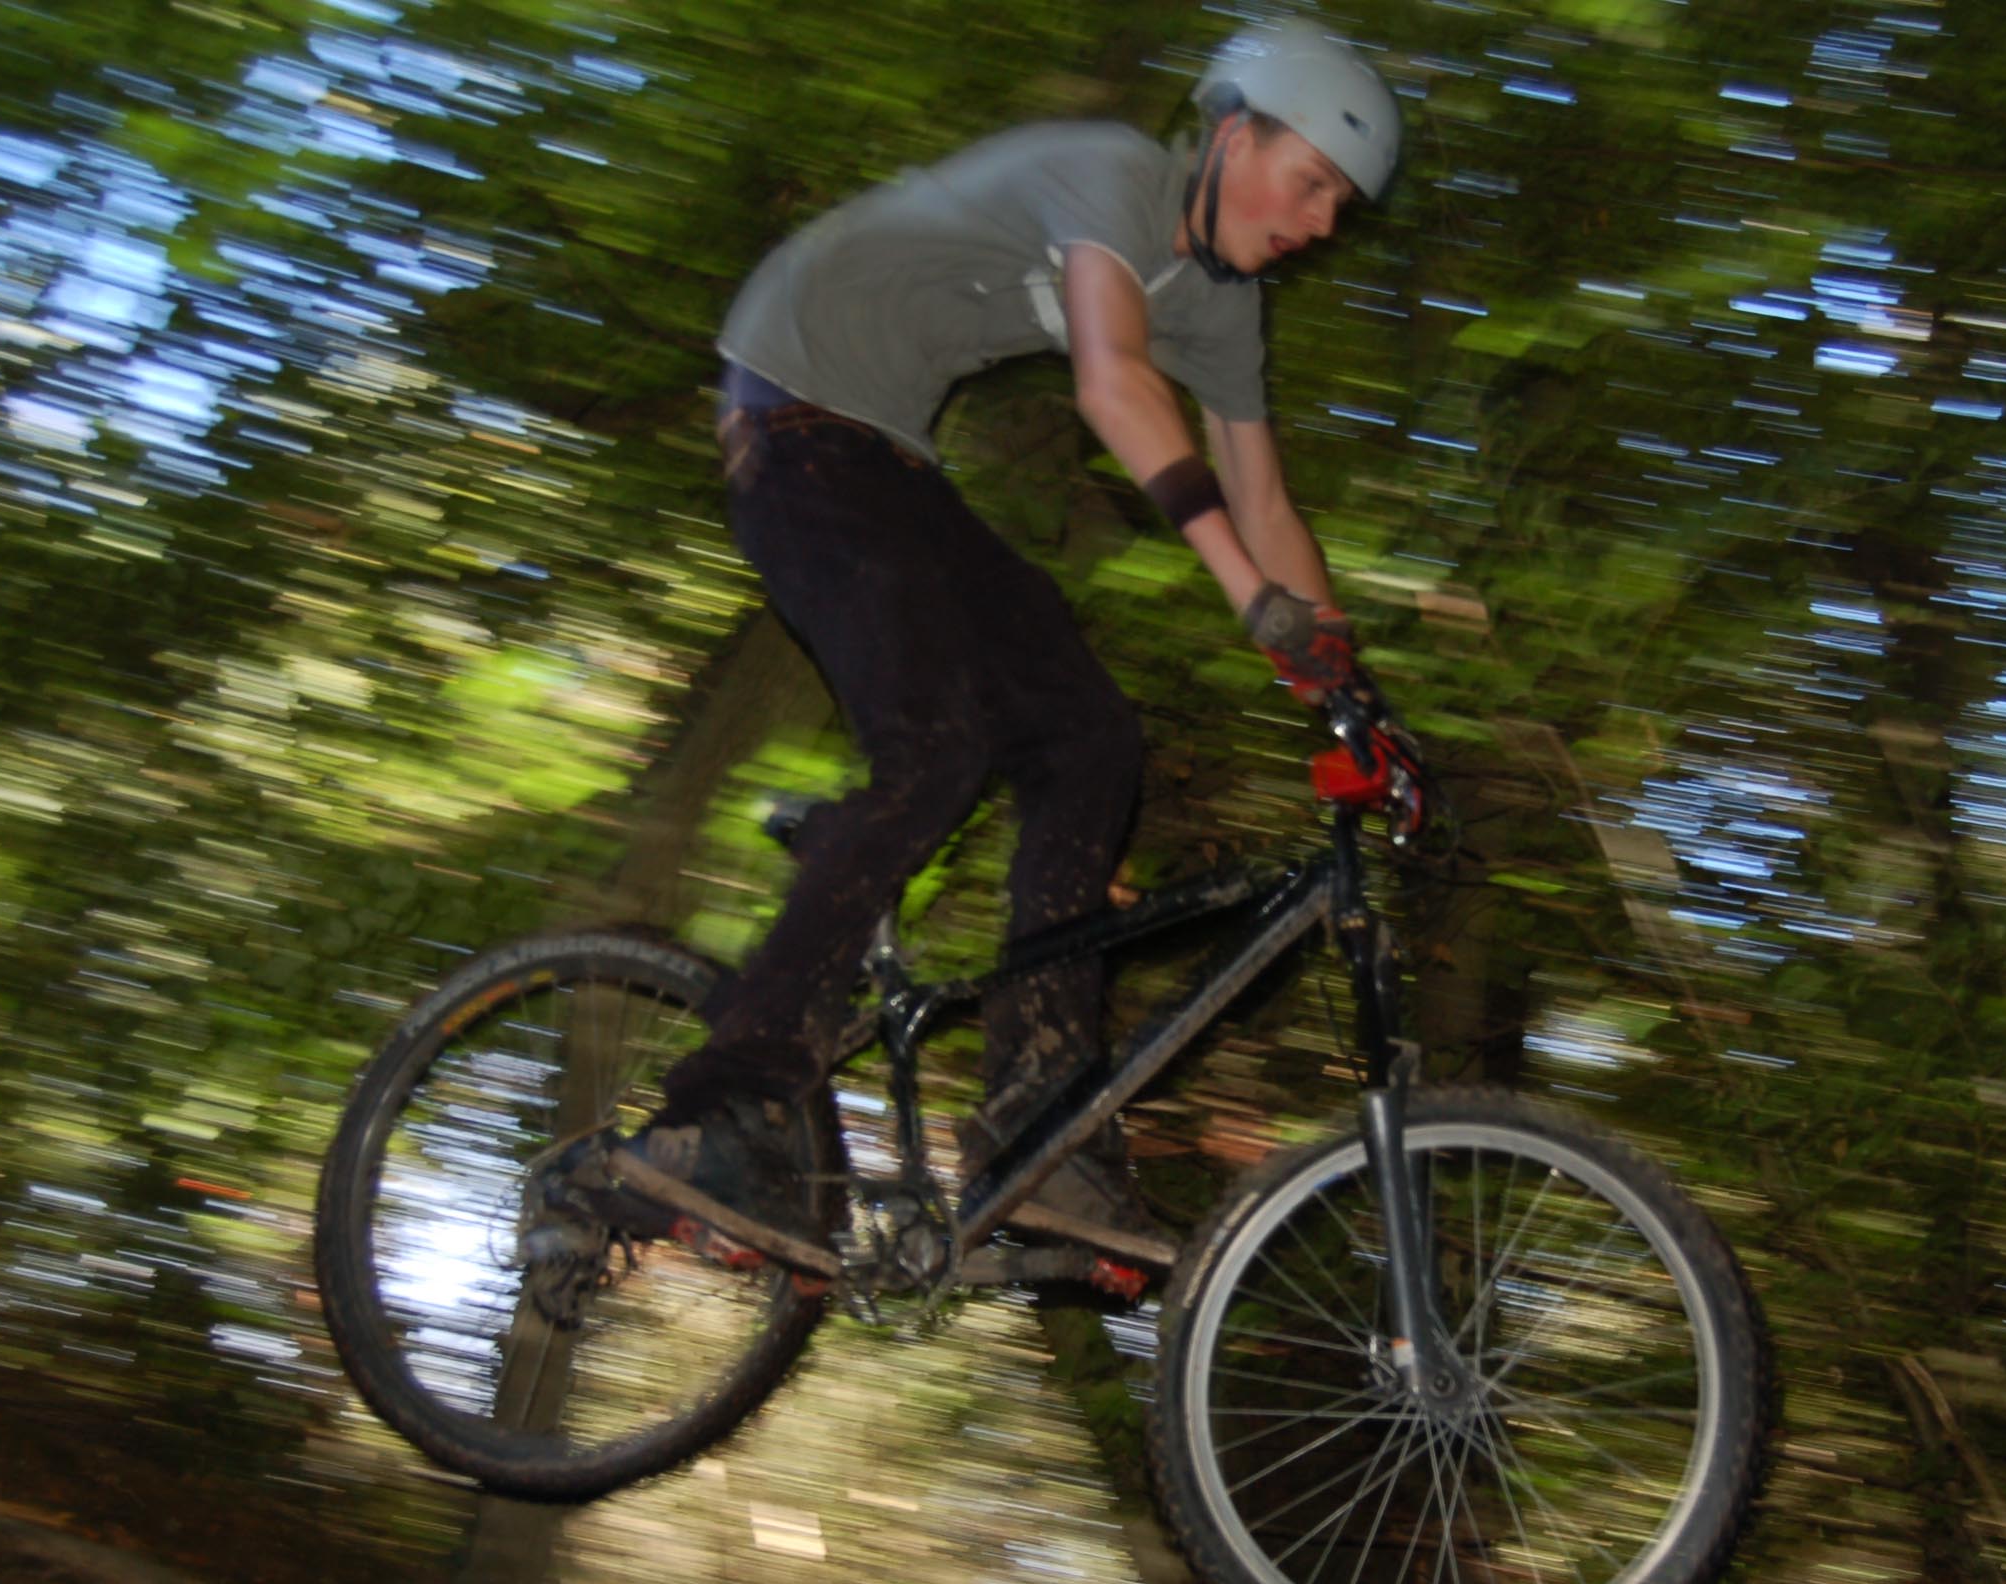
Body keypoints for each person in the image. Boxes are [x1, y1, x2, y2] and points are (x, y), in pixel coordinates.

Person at [561, 17, 1425, 1265]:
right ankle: (723, 1113)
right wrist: (1251, 600)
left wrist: (1353, 695)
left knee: (1091, 737)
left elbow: (1267, 502)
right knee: (937, 745)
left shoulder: (1223, 306)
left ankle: (1040, 1120)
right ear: (1234, 135)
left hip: (887, 458)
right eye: (1311, 182)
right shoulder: (1113, 174)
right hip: (792, 410)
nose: (1322, 221)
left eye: (1339, 203)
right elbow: (1113, 385)